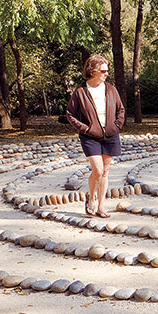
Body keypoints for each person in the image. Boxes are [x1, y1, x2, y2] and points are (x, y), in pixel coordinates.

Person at [65, 54, 125, 218]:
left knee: (105, 171)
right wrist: (85, 129)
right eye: (103, 70)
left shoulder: (111, 89)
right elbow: (70, 113)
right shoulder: (80, 92)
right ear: (93, 71)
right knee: (97, 170)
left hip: (110, 134)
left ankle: (101, 206)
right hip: (90, 136)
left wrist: (116, 125)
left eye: (107, 70)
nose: (106, 73)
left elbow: (121, 110)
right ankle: (92, 197)